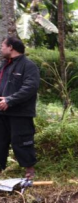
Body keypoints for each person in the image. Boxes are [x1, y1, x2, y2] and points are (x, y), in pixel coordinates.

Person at [0, 36, 40, 180]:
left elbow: (30, 87)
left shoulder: (28, 66)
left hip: (20, 113)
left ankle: (29, 173)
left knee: (22, 142)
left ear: (11, 47)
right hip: (2, 113)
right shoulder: (4, 65)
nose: (1, 48)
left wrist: (10, 100)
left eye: (2, 46)